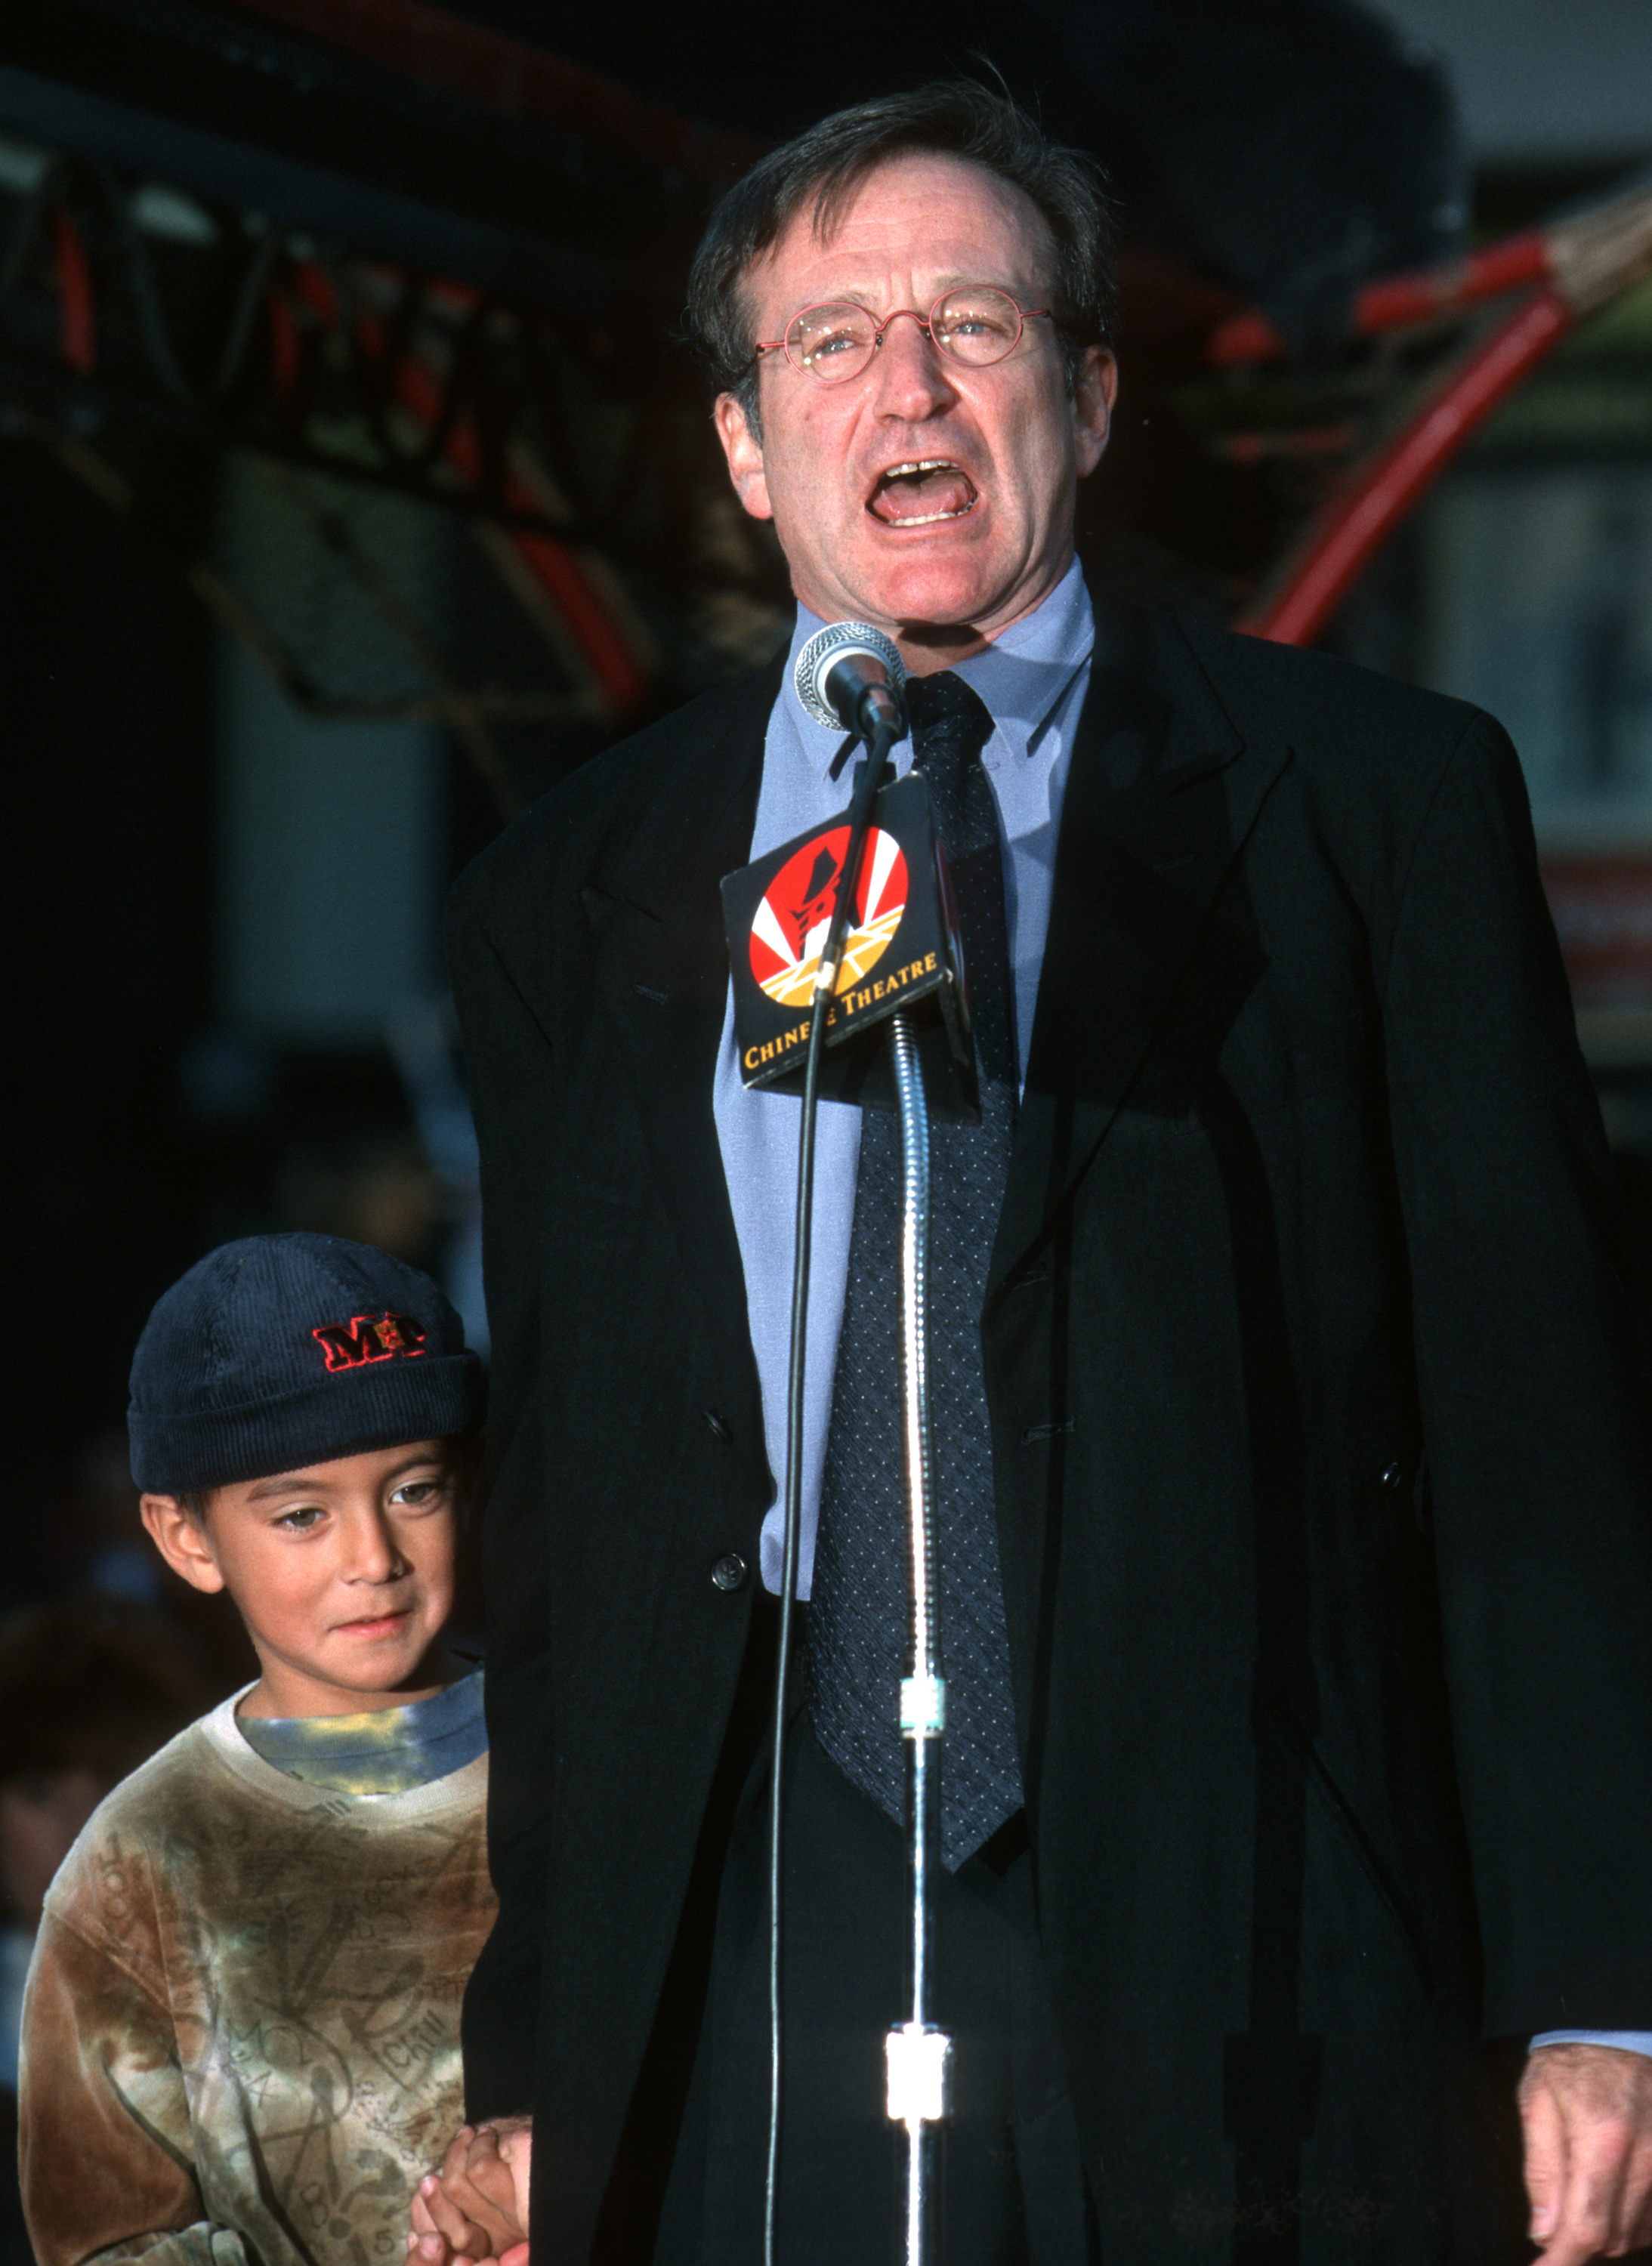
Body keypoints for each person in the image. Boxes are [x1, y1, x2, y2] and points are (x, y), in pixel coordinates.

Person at [429, 81, 1652, 2266]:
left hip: (1243, 1887)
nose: (903, 386)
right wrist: (536, 2048)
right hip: (754, 1911)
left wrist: (1592, 1993)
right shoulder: (572, 889)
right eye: (830, 342)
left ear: (1084, 400)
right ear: (741, 443)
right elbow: (566, 1512)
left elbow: (1532, 1437)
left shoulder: (1370, 804)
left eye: (970, 327)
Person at [19, 1232, 498, 2266]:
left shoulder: (587, 1771)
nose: (373, 1558)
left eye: (413, 1490)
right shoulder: (140, 1863)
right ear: (186, 1537)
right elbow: (100, 2240)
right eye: (299, 1516)